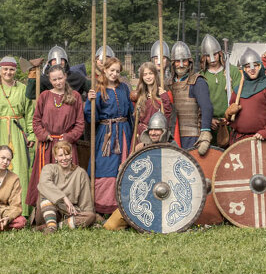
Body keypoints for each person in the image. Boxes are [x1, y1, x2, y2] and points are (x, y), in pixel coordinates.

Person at [0, 57, 36, 214]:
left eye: (11, 69)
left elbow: (29, 114)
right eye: (5, 69)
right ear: (0, 70)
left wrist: (31, 135)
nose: (8, 72)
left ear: (15, 71)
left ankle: (21, 211)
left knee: (19, 169)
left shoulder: (23, 88)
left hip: (17, 131)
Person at [85, 56, 134, 215]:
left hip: (124, 132)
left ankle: (122, 206)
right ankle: (103, 206)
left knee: (123, 164)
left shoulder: (124, 88)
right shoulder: (98, 90)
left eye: (117, 71)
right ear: (104, 70)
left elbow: (130, 111)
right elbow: (91, 117)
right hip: (106, 133)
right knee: (104, 165)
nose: (114, 74)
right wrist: (90, 101)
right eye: (111, 70)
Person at [32, 65, 85, 210]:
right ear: (50, 80)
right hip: (48, 145)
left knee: (67, 178)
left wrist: (68, 138)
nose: (58, 82)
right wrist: (44, 135)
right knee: (47, 179)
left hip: (66, 146)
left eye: (60, 78)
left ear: (65, 76)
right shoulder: (44, 96)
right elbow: (36, 121)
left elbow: (80, 123)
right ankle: (44, 210)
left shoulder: (75, 96)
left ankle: (68, 209)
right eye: (54, 79)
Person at [36, 140, 98, 232]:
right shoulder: (48, 169)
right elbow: (44, 184)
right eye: (60, 155)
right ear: (55, 157)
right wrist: (64, 198)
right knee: (45, 194)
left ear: (71, 155)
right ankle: (51, 224)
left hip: (68, 213)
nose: (64, 158)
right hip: (47, 211)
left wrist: (89, 218)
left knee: (90, 216)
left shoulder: (80, 173)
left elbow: (86, 200)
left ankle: (52, 227)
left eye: (67, 154)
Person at [226, 48, 266, 143]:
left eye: (255, 65)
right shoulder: (238, 89)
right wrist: (228, 115)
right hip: (238, 139)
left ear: (261, 66)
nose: (252, 69)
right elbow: (230, 116)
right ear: (244, 69)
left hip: (261, 138)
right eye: (248, 66)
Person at [168, 41, 212, 153]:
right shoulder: (168, 84)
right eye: (177, 61)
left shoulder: (197, 82)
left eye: (184, 61)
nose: (181, 65)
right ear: (173, 63)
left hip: (192, 136)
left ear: (190, 62)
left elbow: (206, 107)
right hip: (172, 135)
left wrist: (205, 132)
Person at [200, 34, 241, 147]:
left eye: (215, 54)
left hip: (232, 123)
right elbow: (199, 103)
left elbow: (240, 97)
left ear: (220, 54)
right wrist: (208, 119)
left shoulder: (233, 71)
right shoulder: (201, 76)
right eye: (208, 56)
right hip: (212, 125)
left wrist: (230, 116)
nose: (212, 59)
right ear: (204, 57)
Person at [132, 61, 174, 143]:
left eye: (150, 73)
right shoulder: (140, 95)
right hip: (141, 134)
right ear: (142, 77)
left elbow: (167, 114)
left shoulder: (162, 94)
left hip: (156, 135)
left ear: (155, 74)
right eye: (145, 74)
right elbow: (136, 117)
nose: (148, 77)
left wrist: (164, 97)